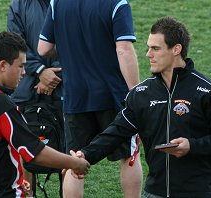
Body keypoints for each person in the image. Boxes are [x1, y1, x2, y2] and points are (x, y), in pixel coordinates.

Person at [74, 16, 211, 198]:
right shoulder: (142, 94)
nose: (148, 54)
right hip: (154, 192)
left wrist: (192, 146)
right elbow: (115, 132)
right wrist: (85, 154)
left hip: (196, 193)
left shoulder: (208, 91)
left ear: (176, 49)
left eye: (155, 48)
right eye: (148, 47)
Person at [0, 32, 89, 198]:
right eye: (20, 66)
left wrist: (15, 179)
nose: (24, 72)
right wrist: (75, 163)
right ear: (3, 65)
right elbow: (34, 152)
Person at [37, 0, 143, 197]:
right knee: (129, 155)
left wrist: (70, 49)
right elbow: (124, 49)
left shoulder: (57, 3)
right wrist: (136, 92)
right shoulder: (117, 4)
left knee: (73, 161)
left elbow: (43, 48)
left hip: (75, 95)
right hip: (113, 95)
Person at [7, 0, 65, 196]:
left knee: (67, 151)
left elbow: (74, 41)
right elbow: (15, 43)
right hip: (26, 90)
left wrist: (53, 75)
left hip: (63, 89)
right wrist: (40, 71)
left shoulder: (70, 4)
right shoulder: (19, 5)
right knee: (23, 151)